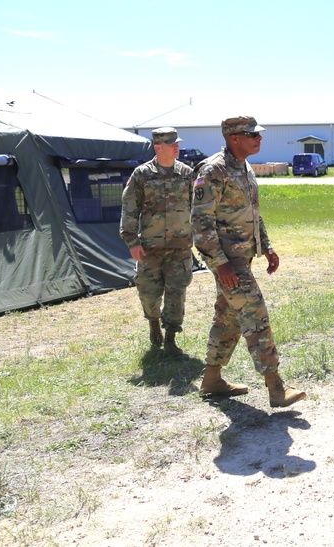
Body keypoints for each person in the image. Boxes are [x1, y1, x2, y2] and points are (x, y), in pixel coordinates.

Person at [191, 116, 306, 407]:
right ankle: (276, 388)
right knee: (256, 316)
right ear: (233, 138)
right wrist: (220, 264)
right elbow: (200, 223)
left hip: (244, 256)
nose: (259, 139)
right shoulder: (213, 170)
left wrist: (265, 245)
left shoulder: (245, 167)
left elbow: (254, 212)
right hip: (229, 262)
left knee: (228, 318)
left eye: (258, 134)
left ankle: (212, 379)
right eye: (251, 134)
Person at [119, 127, 195, 357]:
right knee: (149, 293)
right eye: (171, 143)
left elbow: (198, 207)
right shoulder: (142, 174)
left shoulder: (187, 173)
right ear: (158, 147)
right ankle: (153, 321)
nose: (176, 147)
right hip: (150, 246)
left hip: (180, 245)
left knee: (177, 292)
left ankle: (171, 336)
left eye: (177, 143)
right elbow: (129, 208)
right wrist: (132, 241)